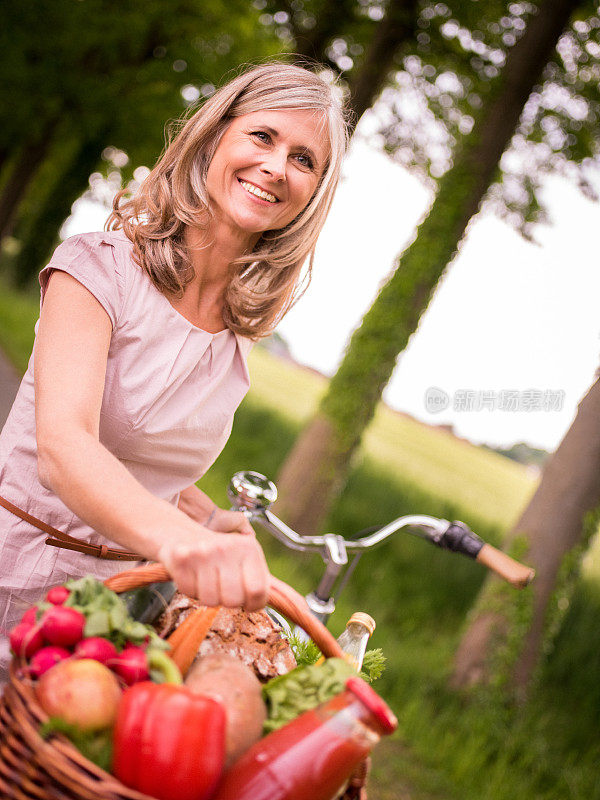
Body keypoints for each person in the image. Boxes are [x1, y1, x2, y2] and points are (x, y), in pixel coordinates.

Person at [0, 61, 349, 684]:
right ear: (215, 137)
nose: (276, 166)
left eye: (304, 159)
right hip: (19, 579)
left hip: (116, 618)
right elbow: (64, 445)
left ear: (313, 193)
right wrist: (187, 544)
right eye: (263, 137)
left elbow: (141, 464)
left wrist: (205, 518)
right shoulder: (97, 269)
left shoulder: (238, 337)